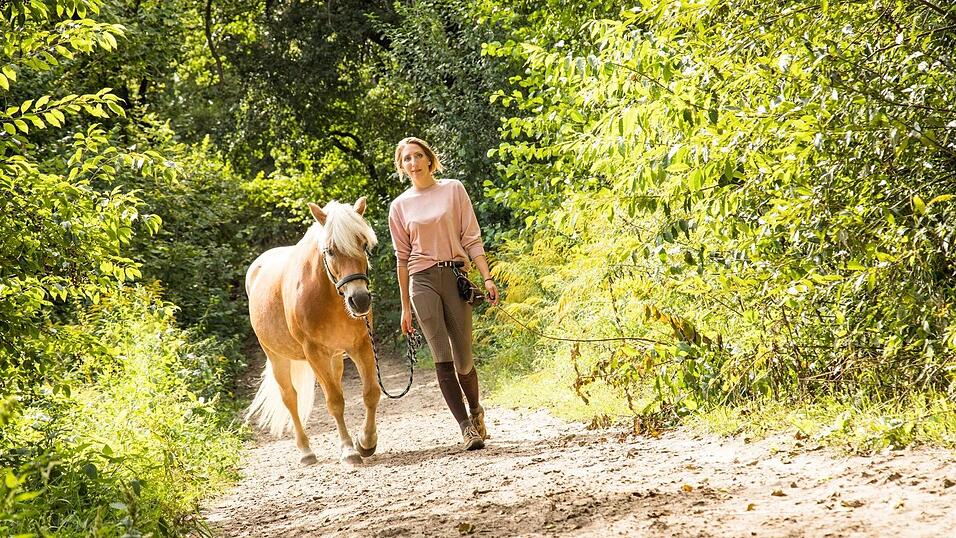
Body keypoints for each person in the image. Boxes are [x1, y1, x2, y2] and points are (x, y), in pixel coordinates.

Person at [387, 136, 499, 451]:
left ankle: (475, 410)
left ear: (429, 159)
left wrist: (487, 278)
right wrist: (405, 307)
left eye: (417, 156)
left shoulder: (453, 190)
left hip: (454, 276)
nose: (413, 163)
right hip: (421, 282)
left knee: (464, 358)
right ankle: (466, 429)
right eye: (406, 159)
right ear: (402, 167)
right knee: (441, 356)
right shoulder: (399, 206)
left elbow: (471, 237)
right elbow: (402, 259)